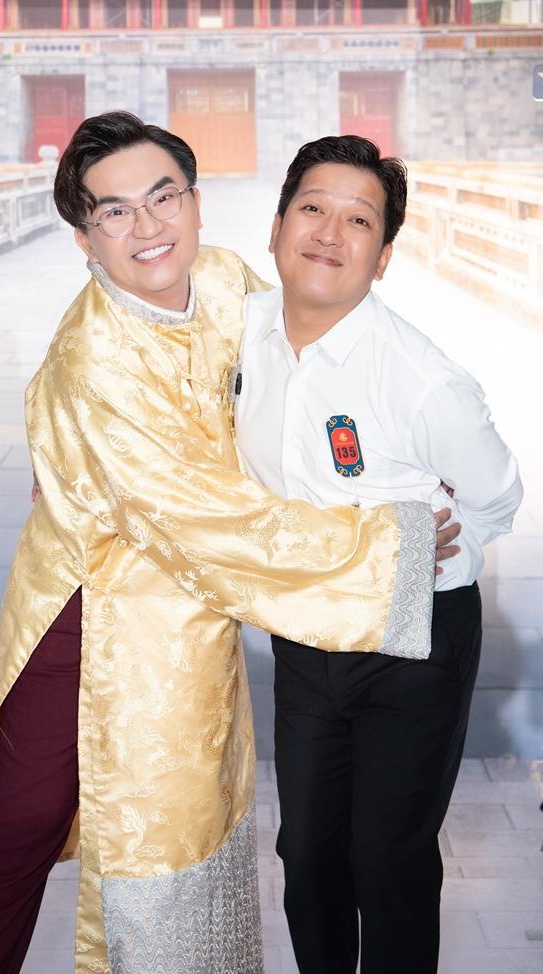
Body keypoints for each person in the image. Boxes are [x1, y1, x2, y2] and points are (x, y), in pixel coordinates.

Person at [0, 114, 455, 974]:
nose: (148, 226)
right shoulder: (91, 366)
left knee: (190, 812)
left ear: (196, 202)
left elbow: (297, 371)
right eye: (114, 211)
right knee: (26, 819)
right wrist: (383, 551)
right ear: (85, 239)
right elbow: (208, 520)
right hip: (93, 613)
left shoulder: (220, 279)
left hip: (191, 614)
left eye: (163, 197)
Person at [234, 134, 523, 974]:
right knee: (307, 856)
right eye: (312, 208)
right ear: (277, 226)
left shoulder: (422, 381)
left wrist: (418, 560)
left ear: (384, 256)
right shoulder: (238, 331)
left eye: (359, 220)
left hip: (414, 641)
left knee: (388, 861)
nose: (329, 233)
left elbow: (497, 496)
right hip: (308, 633)